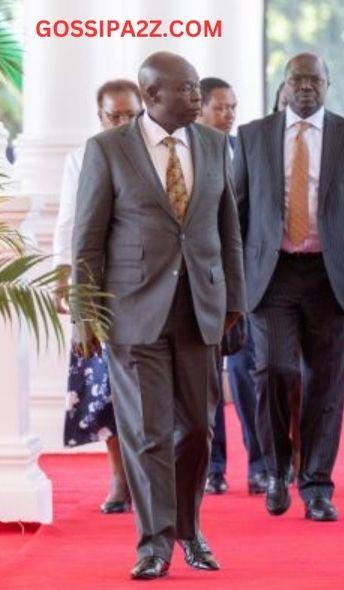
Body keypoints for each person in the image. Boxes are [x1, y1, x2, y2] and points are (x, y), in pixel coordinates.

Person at [72, 51, 245, 580]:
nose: (198, 98)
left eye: (197, 89)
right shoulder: (107, 149)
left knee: (196, 429)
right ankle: (154, 543)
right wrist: (85, 315)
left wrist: (234, 299)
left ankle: (190, 530)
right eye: (188, 90)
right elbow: (87, 240)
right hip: (132, 311)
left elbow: (226, 230)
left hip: (200, 308)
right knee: (147, 432)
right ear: (153, 96)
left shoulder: (215, 145)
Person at [233, 52, 344, 522]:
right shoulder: (252, 135)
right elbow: (238, 211)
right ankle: (274, 470)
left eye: (315, 78)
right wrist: (234, 284)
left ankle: (316, 484)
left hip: (332, 276)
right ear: (284, 85)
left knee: (326, 384)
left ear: (328, 84)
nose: (306, 86)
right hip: (271, 276)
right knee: (272, 369)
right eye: (297, 79)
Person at [54, 79, 141, 515]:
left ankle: (151, 477)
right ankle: (119, 476)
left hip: (143, 285)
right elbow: (70, 223)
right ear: (99, 115)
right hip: (98, 289)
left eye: (131, 114)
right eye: (114, 115)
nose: (123, 122)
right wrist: (64, 279)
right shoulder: (82, 157)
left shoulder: (155, 155)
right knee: (101, 386)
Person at [195, 76, 268, 496]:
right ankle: (213, 467)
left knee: (246, 375)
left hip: (244, 286)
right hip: (203, 286)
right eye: (220, 107)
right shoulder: (189, 155)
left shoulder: (244, 151)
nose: (229, 115)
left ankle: (258, 464)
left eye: (233, 107)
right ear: (201, 109)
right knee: (205, 381)